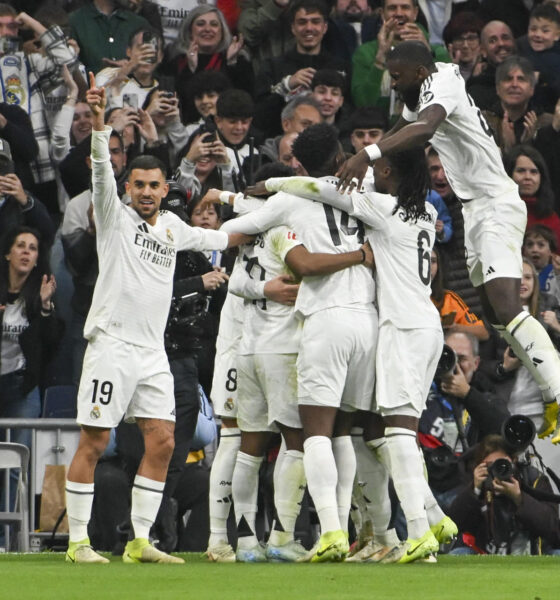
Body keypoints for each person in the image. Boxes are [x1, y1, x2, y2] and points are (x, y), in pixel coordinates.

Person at [64, 73, 248, 565]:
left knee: (164, 440)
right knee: (95, 440)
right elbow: (100, 169)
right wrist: (100, 123)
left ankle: (140, 540)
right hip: (111, 343)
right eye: (139, 185)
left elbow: (219, 240)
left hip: (152, 353)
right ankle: (78, 542)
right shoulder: (116, 217)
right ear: (129, 188)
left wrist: (260, 219)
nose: (146, 192)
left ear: (166, 188)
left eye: (154, 185)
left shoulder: (172, 227)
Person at [336, 40, 560, 444]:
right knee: (495, 315)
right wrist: (361, 162)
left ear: (420, 72)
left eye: (397, 75)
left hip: (495, 203)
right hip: (475, 209)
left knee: (509, 308)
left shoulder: (443, 82)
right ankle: (549, 389)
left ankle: (556, 392)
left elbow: (423, 129)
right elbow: (404, 127)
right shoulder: (420, 89)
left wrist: (366, 155)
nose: (391, 81)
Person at [262, 143, 455, 563]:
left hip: (401, 327)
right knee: (390, 432)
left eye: (381, 169)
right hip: (427, 325)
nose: (375, 174)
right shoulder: (426, 212)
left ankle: (421, 532)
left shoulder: (382, 210)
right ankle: (432, 520)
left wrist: (269, 183)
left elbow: (320, 188)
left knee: (399, 433)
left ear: (392, 174)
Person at [221, 123, 378, 563]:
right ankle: (346, 532)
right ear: (340, 154)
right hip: (363, 318)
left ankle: (259, 536)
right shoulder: (365, 191)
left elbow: (239, 227)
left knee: (293, 439)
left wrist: (234, 203)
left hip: (298, 330)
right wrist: (362, 255)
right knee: (346, 432)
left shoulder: (287, 203)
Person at [0, 226, 63, 533]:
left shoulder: (40, 295)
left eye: (33, 248)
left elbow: (51, 344)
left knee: (15, 466)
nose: (26, 251)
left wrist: (46, 307)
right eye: (21, 245)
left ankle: (10, 541)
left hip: (20, 387)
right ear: (8, 253)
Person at [419, 331, 510, 511]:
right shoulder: (421, 389)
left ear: (476, 363)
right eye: (448, 355)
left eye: (461, 358)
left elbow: (504, 430)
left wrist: (467, 394)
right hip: (423, 484)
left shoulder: (485, 395)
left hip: (464, 487)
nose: (454, 364)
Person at [448, 434, 560, 555]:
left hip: (534, 552)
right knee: (458, 553)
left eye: (502, 464)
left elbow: (553, 529)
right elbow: (452, 526)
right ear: (480, 466)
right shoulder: (477, 481)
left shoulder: (533, 480)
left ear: (514, 461)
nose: (497, 470)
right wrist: (474, 490)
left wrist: (519, 498)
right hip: (484, 553)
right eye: (490, 465)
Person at [351, 0, 450, 119]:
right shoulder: (365, 53)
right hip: (381, 131)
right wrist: (380, 57)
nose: (399, 13)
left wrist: (427, 54)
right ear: (382, 13)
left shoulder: (438, 53)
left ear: (415, 12)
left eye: (405, 7)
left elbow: (448, 96)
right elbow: (363, 104)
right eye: (392, 8)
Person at [168, 5, 254, 117]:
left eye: (214, 24)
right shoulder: (177, 60)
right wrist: (190, 69)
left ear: (222, 31)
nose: (207, 29)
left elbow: (245, 102)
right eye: (200, 24)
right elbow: (179, 103)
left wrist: (231, 65)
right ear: (189, 31)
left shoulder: (238, 59)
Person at [482, 57, 552, 154]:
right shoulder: (482, 121)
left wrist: (529, 145)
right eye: (508, 79)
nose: (514, 84)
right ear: (497, 88)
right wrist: (505, 150)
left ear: (532, 89)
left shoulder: (547, 124)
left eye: (521, 79)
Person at [68, 0, 150, 74]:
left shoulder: (139, 24)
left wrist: (132, 67)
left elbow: (151, 71)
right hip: (91, 88)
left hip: (133, 88)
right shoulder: (74, 22)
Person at [504, 145, 560, 247]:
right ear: (509, 174)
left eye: (533, 172)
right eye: (521, 171)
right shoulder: (497, 213)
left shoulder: (551, 219)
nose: (528, 177)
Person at [430, 247, 489, 341]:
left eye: (433, 261)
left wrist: (455, 328)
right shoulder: (403, 297)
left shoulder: (448, 299)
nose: (429, 267)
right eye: (423, 261)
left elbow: (483, 333)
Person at [466, 20, 515, 110]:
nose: (501, 43)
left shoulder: (528, 80)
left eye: (505, 38)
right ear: (483, 51)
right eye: (493, 40)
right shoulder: (476, 92)